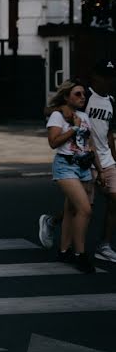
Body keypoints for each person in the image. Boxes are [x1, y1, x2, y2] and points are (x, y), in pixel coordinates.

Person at [44, 79, 106, 273]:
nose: (82, 97)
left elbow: (90, 145)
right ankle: (80, 254)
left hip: (84, 166)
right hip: (65, 166)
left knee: (71, 210)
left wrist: (100, 169)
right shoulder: (58, 116)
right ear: (66, 96)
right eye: (77, 94)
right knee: (85, 210)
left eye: (83, 94)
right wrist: (74, 128)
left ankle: (64, 251)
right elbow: (53, 143)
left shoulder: (83, 116)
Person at [86, 60, 116, 262]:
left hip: (107, 160)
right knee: (84, 207)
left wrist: (115, 157)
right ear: (96, 78)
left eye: (112, 77)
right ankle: (54, 221)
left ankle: (104, 245)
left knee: (115, 201)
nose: (109, 81)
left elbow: (110, 134)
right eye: (105, 77)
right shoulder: (84, 96)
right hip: (86, 159)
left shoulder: (112, 102)